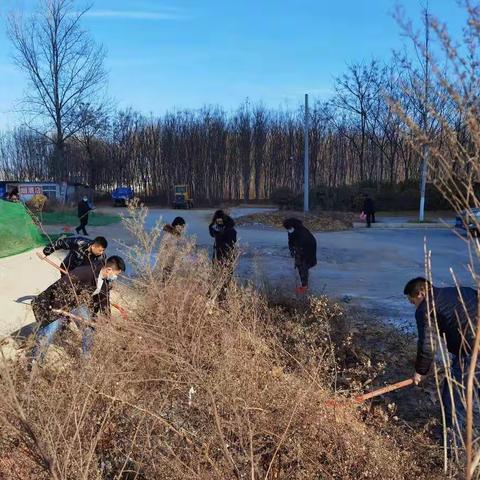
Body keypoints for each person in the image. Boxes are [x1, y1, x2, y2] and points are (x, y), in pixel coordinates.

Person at [404, 277, 479, 450]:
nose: (414, 306)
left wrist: (420, 371)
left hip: (470, 352)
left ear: (421, 293)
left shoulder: (425, 308)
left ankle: (455, 449)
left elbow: (428, 345)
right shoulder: (461, 290)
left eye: (412, 301)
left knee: (452, 399)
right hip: (471, 347)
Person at [30, 255, 126, 363]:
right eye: (116, 274)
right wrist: (57, 308)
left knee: (88, 329)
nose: (115, 277)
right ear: (109, 270)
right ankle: (35, 362)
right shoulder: (85, 272)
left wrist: (107, 321)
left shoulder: (105, 281)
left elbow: (104, 301)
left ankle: (87, 358)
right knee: (49, 333)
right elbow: (62, 285)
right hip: (55, 303)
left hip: (75, 304)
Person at [283, 218, 317, 294]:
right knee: (299, 265)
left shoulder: (302, 231)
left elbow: (302, 243)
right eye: (287, 229)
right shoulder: (291, 230)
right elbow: (290, 241)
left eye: (288, 228)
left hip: (309, 247)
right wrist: (291, 250)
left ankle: (305, 287)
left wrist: (298, 253)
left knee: (304, 265)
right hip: (301, 247)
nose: (288, 230)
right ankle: (304, 285)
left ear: (292, 225)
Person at [42, 235, 107, 275]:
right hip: (67, 267)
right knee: (64, 285)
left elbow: (101, 270)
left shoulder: (101, 257)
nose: (101, 253)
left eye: (103, 250)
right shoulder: (79, 242)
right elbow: (61, 243)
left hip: (81, 274)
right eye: (100, 250)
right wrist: (48, 250)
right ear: (93, 246)